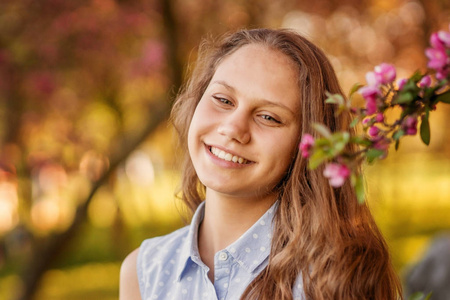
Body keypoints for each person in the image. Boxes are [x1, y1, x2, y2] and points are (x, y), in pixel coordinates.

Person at [120, 28, 402, 300]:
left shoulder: (333, 278)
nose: (233, 128)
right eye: (223, 99)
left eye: (269, 117)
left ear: (308, 144)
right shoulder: (144, 273)